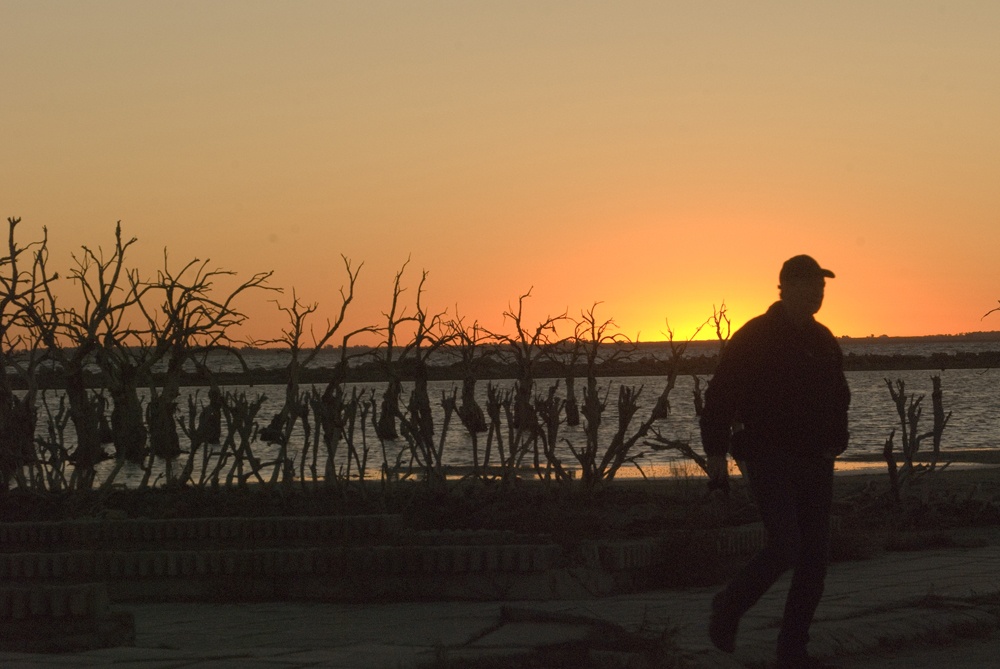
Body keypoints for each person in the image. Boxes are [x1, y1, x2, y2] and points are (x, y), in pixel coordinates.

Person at [700, 254, 851, 669]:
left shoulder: (823, 340)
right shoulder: (757, 335)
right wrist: (715, 454)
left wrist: (837, 440)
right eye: (810, 285)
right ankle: (729, 606)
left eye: (822, 287)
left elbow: (839, 395)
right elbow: (720, 395)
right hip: (768, 454)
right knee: (786, 544)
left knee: (814, 560)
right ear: (785, 286)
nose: (818, 294)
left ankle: (793, 650)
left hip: (816, 458)